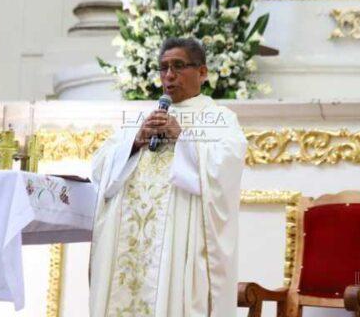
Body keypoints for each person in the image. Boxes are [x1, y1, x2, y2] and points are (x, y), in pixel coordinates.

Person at [89, 37, 248, 317]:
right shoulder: (144, 118)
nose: (169, 75)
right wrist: (135, 142)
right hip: (131, 247)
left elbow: (225, 167)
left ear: (202, 72)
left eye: (178, 66)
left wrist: (182, 138)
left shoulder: (219, 118)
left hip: (177, 246)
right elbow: (99, 167)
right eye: (163, 68)